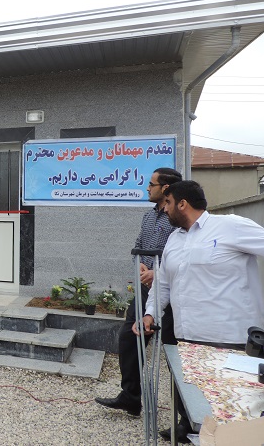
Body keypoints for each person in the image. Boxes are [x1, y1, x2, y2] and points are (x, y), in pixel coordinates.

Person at [135, 180, 264, 442]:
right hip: (188, 340)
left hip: (230, 343)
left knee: (234, 412)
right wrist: (150, 313)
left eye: (168, 203)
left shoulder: (229, 226)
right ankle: (192, 430)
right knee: (193, 400)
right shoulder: (174, 239)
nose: (165, 209)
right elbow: (163, 284)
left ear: (182, 204)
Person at [95, 167, 181, 416]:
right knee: (129, 338)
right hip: (145, 290)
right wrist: (141, 266)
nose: (147, 188)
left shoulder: (176, 219)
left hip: (170, 292)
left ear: (166, 188)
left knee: (173, 350)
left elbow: (181, 254)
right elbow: (138, 246)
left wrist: (157, 273)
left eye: (151, 184)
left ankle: (186, 416)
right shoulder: (148, 217)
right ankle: (131, 397)